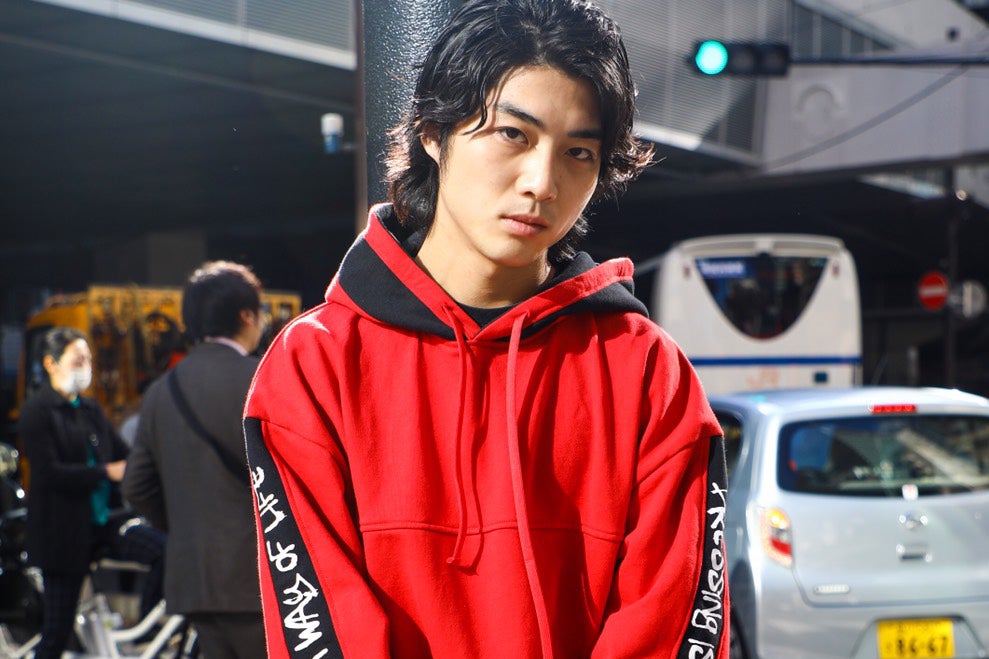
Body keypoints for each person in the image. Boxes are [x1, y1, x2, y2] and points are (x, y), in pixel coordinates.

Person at [245, 0, 729, 656]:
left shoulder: (646, 371)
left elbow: (673, 620)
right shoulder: (315, 364)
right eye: (513, 134)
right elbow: (320, 627)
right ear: (432, 132)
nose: (542, 182)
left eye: (578, 152)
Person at [123, 261, 268, 659]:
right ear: (247, 316)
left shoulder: (161, 390)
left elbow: (136, 485)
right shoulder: (263, 378)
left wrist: (187, 525)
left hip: (193, 578)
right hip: (258, 576)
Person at [19, 327, 164, 659]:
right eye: (77, 358)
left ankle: (147, 630)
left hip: (104, 523)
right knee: (57, 633)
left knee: (164, 550)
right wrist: (104, 472)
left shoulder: (90, 409)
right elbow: (49, 473)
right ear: (51, 363)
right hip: (62, 536)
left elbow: (125, 454)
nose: (86, 365)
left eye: (88, 358)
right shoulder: (37, 410)